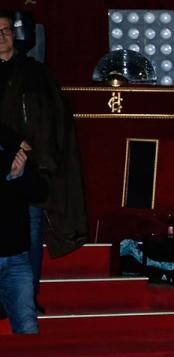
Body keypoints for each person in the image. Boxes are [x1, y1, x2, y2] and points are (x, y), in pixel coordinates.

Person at [0, 10, 88, 305]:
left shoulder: (36, 75)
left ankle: (28, 297)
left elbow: (51, 122)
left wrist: (33, 156)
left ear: (16, 34)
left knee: (31, 236)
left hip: (30, 171)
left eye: (6, 30)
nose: (1, 38)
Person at [0, 124, 44, 334]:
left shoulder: (14, 148)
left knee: (27, 326)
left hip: (17, 256)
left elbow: (39, 194)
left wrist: (21, 175)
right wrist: (9, 178)